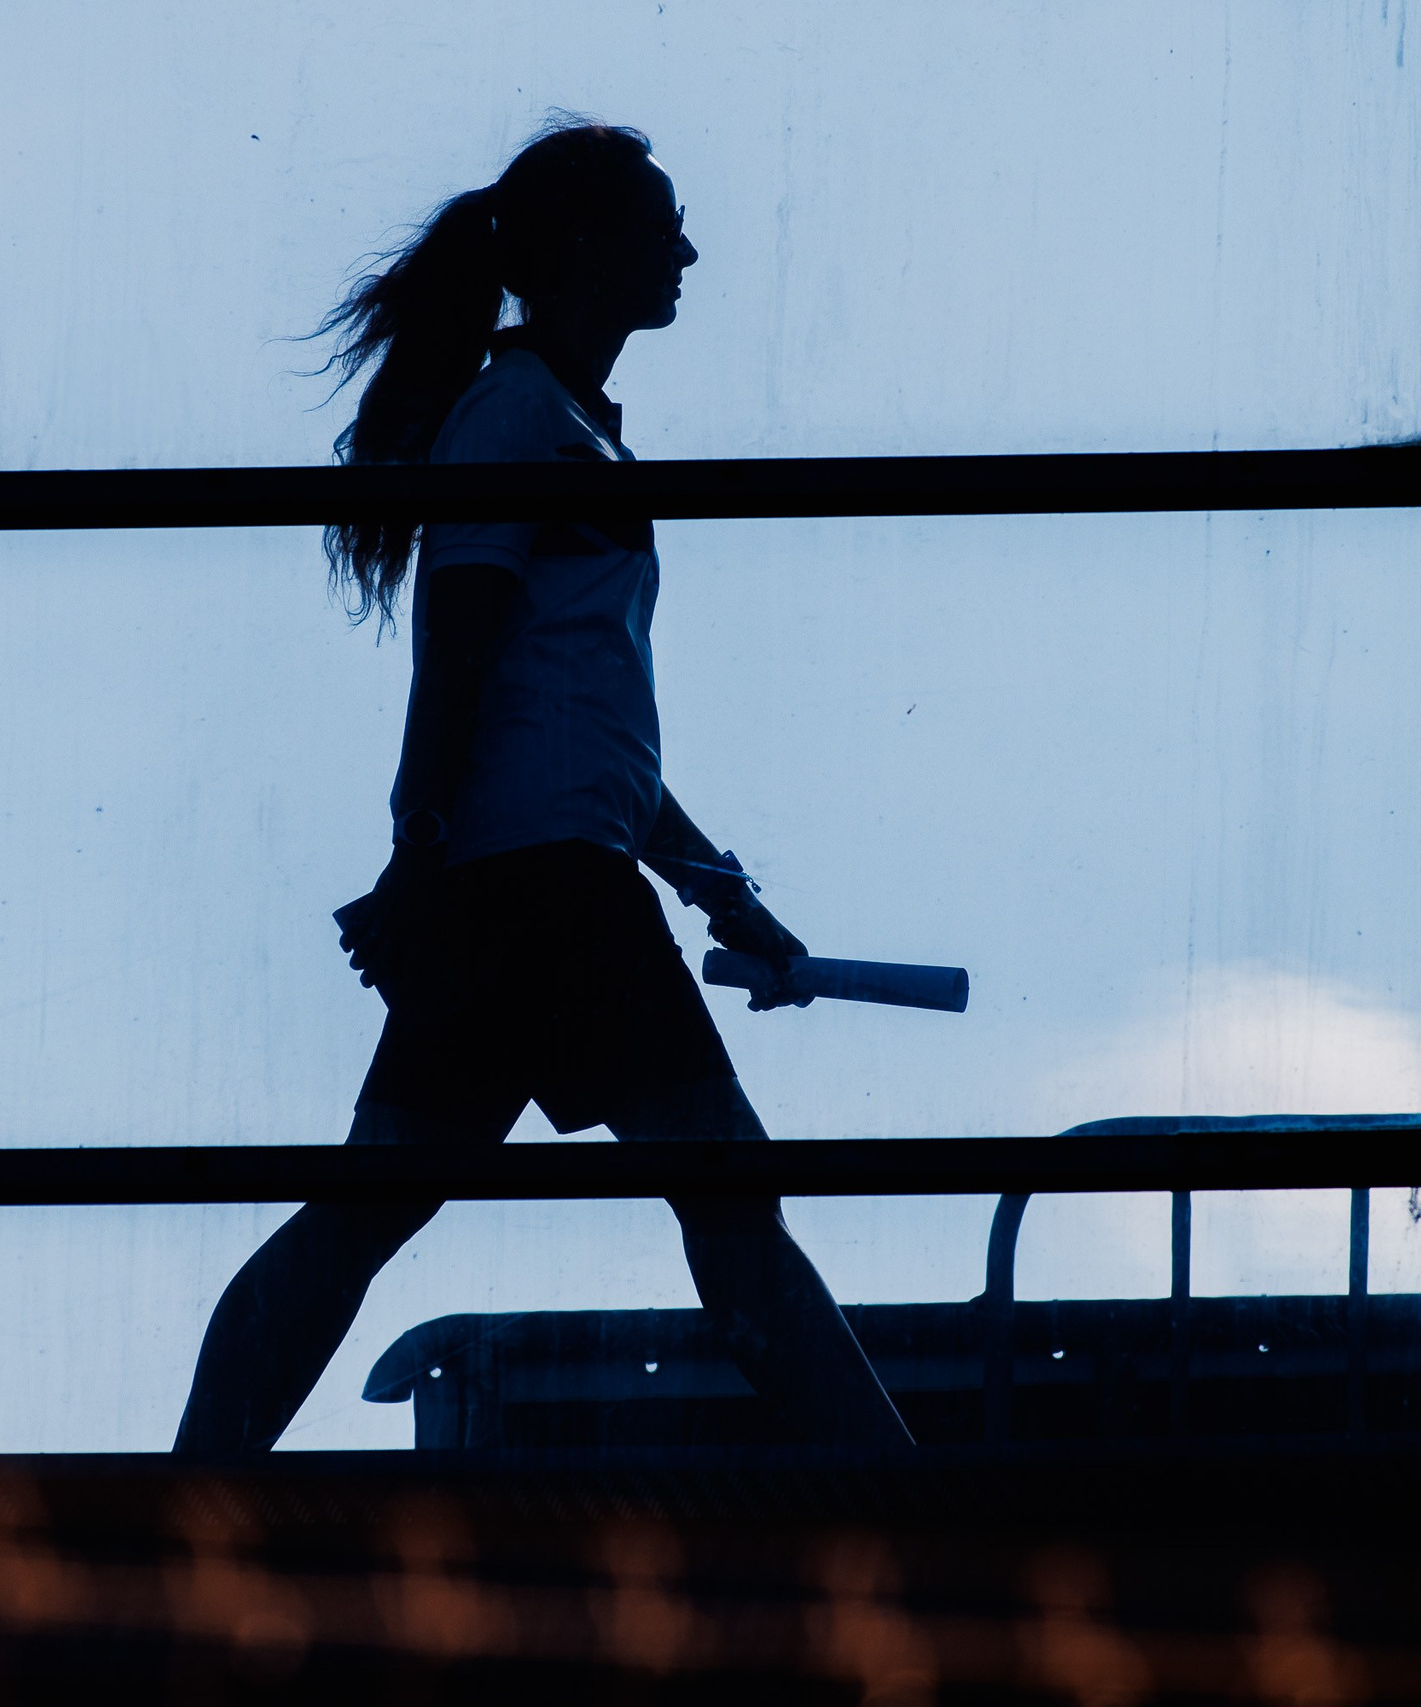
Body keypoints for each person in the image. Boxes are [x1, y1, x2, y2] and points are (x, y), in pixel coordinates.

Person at [172, 120, 914, 1456]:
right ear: (586, 247)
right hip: (554, 899)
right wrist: (417, 856)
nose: (688, 247)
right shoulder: (520, 420)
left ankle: (191, 1484)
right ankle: (907, 1511)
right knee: (732, 1207)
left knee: (361, 1216)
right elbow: (456, 653)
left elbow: (576, 722)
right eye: (663, 222)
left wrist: (710, 883)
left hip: (532, 885)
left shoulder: (555, 424)